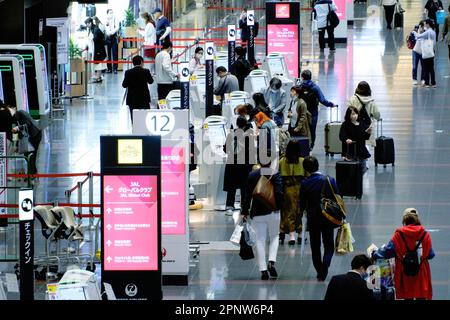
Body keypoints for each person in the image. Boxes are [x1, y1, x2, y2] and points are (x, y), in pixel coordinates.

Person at [371, 208, 435, 300]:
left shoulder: (399, 235)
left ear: (404, 220)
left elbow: (387, 252)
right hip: (421, 272)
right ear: (417, 219)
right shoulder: (425, 234)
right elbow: (430, 254)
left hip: (404, 273)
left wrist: (374, 254)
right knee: (421, 295)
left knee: (407, 296)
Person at [241, 155, 283, 280]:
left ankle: (263, 270)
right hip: (273, 211)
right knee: (274, 236)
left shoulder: (252, 175)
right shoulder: (275, 174)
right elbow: (279, 192)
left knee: (260, 240)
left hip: (257, 212)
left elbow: (247, 195)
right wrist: (279, 207)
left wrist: (244, 211)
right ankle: (272, 261)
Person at [300, 156, 340, 281]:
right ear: (318, 166)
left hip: (313, 219)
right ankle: (326, 264)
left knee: (315, 245)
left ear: (305, 169)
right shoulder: (329, 180)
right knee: (329, 245)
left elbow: (302, 204)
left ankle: (319, 269)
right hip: (328, 217)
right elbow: (338, 197)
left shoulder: (305, 183)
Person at [223, 116, 256, 216]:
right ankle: (244, 206)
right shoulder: (248, 136)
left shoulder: (231, 134)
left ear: (237, 124)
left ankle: (229, 207)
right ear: (245, 124)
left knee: (231, 186)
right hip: (244, 165)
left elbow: (225, 149)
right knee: (244, 186)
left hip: (232, 164)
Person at [298, 69, 336, 150]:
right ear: (311, 77)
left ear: (302, 77)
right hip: (313, 113)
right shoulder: (315, 87)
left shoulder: (299, 87)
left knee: (302, 128)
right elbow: (322, 100)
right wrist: (331, 104)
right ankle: (311, 146)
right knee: (312, 129)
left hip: (302, 112)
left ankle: (302, 147)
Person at [279, 140, 305, 245]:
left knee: (287, 212)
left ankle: (291, 235)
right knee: (299, 212)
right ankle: (299, 234)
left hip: (286, 190)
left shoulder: (282, 161)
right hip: (300, 190)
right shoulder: (303, 161)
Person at [5, 105, 42, 175]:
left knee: (31, 155)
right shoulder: (16, 117)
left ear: (14, 109)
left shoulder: (21, 113)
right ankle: (33, 172)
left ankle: (31, 174)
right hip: (31, 135)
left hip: (35, 135)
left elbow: (27, 125)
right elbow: (18, 132)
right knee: (28, 154)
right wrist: (16, 145)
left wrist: (18, 128)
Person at [348, 81, 381, 147]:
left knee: (355, 144)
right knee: (366, 145)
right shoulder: (371, 101)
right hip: (368, 128)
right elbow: (377, 115)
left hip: (355, 127)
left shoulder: (352, 99)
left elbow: (348, 113)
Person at [122, 55, 154, 123]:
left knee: (134, 118)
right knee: (145, 117)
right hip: (144, 98)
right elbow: (151, 81)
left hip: (132, 99)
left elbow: (124, 85)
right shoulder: (146, 71)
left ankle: (135, 130)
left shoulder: (128, 72)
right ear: (141, 62)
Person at [339, 106, 371, 173]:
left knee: (362, 170)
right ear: (348, 115)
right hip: (350, 151)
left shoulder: (361, 123)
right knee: (351, 172)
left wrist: (368, 133)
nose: (355, 116)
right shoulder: (345, 124)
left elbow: (365, 137)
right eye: (353, 114)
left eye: (356, 113)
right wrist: (346, 139)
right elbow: (341, 135)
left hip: (361, 150)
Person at [413, 19, 437, 88]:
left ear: (428, 24)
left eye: (425, 24)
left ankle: (426, 83)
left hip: (426, 53)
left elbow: (418, 36)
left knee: (426, 68)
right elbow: (434, 43)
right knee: (431, 69)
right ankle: (433, 83)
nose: (425, 25)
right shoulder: (433, 32)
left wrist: (414, 32)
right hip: (431, 52)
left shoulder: (428, 32)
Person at [85, 17, 106, 83]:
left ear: (90, 23)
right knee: (97, 64)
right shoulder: (92, 29)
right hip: (97, 49)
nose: (87, 25)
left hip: (98, 50)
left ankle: (98, 77)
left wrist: (91, 39)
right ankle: (98, 77)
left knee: (99, 64)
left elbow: (96, 39)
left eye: (87, 24)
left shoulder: (96, 29)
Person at [105, 9, 120, 74]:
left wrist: (112, 32)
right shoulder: (106, 19)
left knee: (115, 54)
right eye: (109, 12)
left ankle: (115, 69)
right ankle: (109, 69)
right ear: (107, 13)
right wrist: (108, 32)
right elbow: (105, 27)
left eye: (112, 12)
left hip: (114, 37)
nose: (111, 14)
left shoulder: (115, 18)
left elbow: (117, 27)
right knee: (108, 54)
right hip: (108, 38)